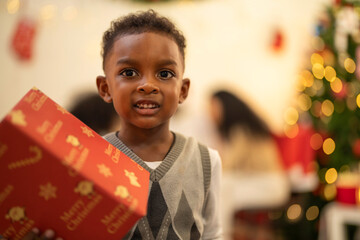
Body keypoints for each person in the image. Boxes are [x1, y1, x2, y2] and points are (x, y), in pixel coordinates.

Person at [24, 9, 222, 240]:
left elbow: (213, 234)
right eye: (129, 72)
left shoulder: (206, 161)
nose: (148, 85)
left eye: (165, 73)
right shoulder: (84, 159)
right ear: (105, 88)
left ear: (183, 90)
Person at [209, 90, 290, 240]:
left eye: (213, 106)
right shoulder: (245, 128)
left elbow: (228, 166)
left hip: (270, 186)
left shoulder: (241, 130)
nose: (211, 112)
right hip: (266, 183)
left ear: (225, 106)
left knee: (222, 188)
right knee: (223, 188)